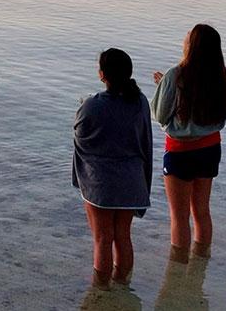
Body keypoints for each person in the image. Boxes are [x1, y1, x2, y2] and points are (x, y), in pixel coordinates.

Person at [73, 48, 153, 289]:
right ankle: (122, 285)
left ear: (102, 75)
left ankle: (101, 292)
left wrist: (83, 108)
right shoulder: (139, 101)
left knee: (102, 239)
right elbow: (145, 139)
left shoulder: (92, 105)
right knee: (123, 237)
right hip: (131, 181)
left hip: (101, 185)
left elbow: (80, 137)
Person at [151, 24, 226, 264]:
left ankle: (178, 270)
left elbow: (159, 115)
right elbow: (221, 114)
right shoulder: (220, 74)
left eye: (187, 37)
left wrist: (163, 87)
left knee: (179, 216)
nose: (183, 39)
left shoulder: (175, 74)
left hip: (180, 151)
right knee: (202, 211)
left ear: (191, 46)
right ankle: (201, 263)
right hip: (210, 148)